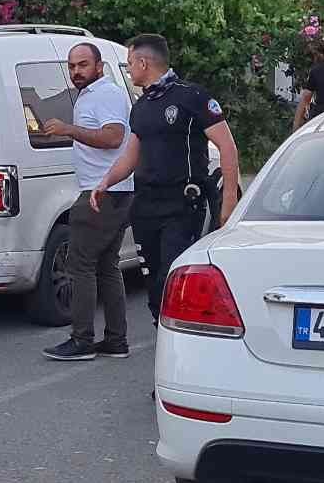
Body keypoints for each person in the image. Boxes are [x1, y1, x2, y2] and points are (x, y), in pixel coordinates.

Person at [92, 34, 242, 325]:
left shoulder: (192, 97)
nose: (128, 69)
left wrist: (229, 202)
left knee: (173, 277)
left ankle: (184, 338)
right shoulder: (142, 106)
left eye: (130, 63)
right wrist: (105, 182)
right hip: (146, 205)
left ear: (143, 63)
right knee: (154, 286)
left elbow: (227, 147)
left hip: (181, 205)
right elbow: (130, 156)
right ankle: (162, 332)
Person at [38, 42, 134, 362]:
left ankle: (81, 340)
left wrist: (69, 130)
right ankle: (116, 340)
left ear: (99, 66)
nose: (76, 71)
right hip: (111, 191)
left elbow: (113, 137)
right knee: (106, 266)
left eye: (83, 64)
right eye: (72, 66)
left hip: (101, 192)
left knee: (80, 265)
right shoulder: (90, 94)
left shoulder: (105, 94)